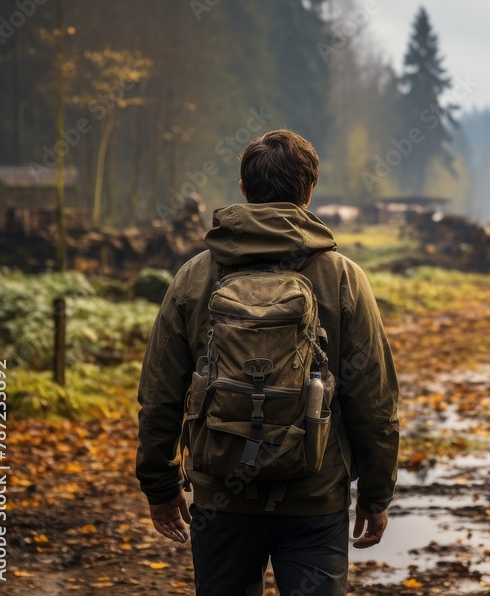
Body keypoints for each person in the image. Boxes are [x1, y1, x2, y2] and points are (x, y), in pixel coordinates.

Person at [135, 129, 399, 595]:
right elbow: (373, 400)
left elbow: (160, 393)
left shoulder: (195, 276)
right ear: (309, 190)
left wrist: (160, 484)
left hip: (221, 497)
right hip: (315, 498)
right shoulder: (343, 279)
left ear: (243, 188)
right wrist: (375, 495)